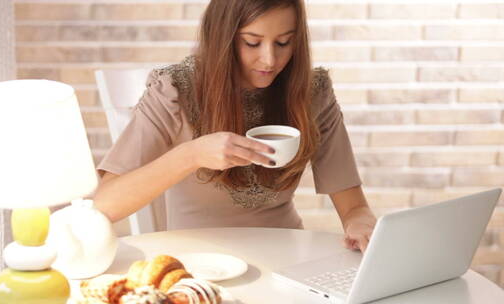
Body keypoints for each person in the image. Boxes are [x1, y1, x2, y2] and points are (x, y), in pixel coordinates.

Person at [94, 0, 377, 253]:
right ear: (223, 37)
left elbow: (353, 206)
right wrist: (191, 155)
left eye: (283, 43)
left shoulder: (312, 93)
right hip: (197, 263)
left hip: (286, 258)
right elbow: (105, 205)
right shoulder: (175, 89)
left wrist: (360, 223)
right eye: (252, 42)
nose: (270, 60)